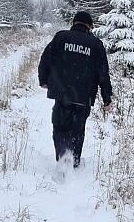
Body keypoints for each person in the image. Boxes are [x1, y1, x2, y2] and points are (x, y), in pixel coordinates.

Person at [38, 11, 113, 169]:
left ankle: (62, 156)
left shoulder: (61, 37)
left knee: (59, 125)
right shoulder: (95, 44)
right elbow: (103, 74)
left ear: (73, 23)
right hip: (83, 96)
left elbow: (45, 59)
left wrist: (44, 80)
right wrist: (107, 99)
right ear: (89, 26)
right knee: (78, 129)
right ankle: (74, 161)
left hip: (61, 93)